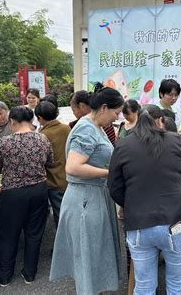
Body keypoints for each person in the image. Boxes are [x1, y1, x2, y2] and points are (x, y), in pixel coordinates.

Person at [108, 106, 181, 294]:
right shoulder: (174, 140)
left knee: (144, 285)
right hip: (176, 221)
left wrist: (132, 204)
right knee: (178, 286)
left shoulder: (122, 144)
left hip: (139, 224)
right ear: (159, 121)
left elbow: (114, 187)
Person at [50, 83, 124, 294]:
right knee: (87, 260)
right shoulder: (86, 128)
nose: (117, 117)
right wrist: (109, 173)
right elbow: (73, 167)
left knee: (94, 257)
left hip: (94, 197)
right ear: (103, 108)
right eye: (116, 112)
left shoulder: (95, 126)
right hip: (85, 200)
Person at [0, 106, 53, 287]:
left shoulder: (4, 142)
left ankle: (5, 275)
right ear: (31, 120)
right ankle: (30, 273)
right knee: (34, 233)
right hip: (39, 190)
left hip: (12, 193)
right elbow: (50, 162)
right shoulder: (43, 139)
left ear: (13, 121)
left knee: (8, 233)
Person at [35, 101, 71, 228]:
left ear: (39, 118)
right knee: (69, 216)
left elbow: (40, 160)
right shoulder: (67, 128)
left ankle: (64, 247)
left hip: (54, 181)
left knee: (60, 218)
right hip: (69, 178)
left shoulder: (42, 135)